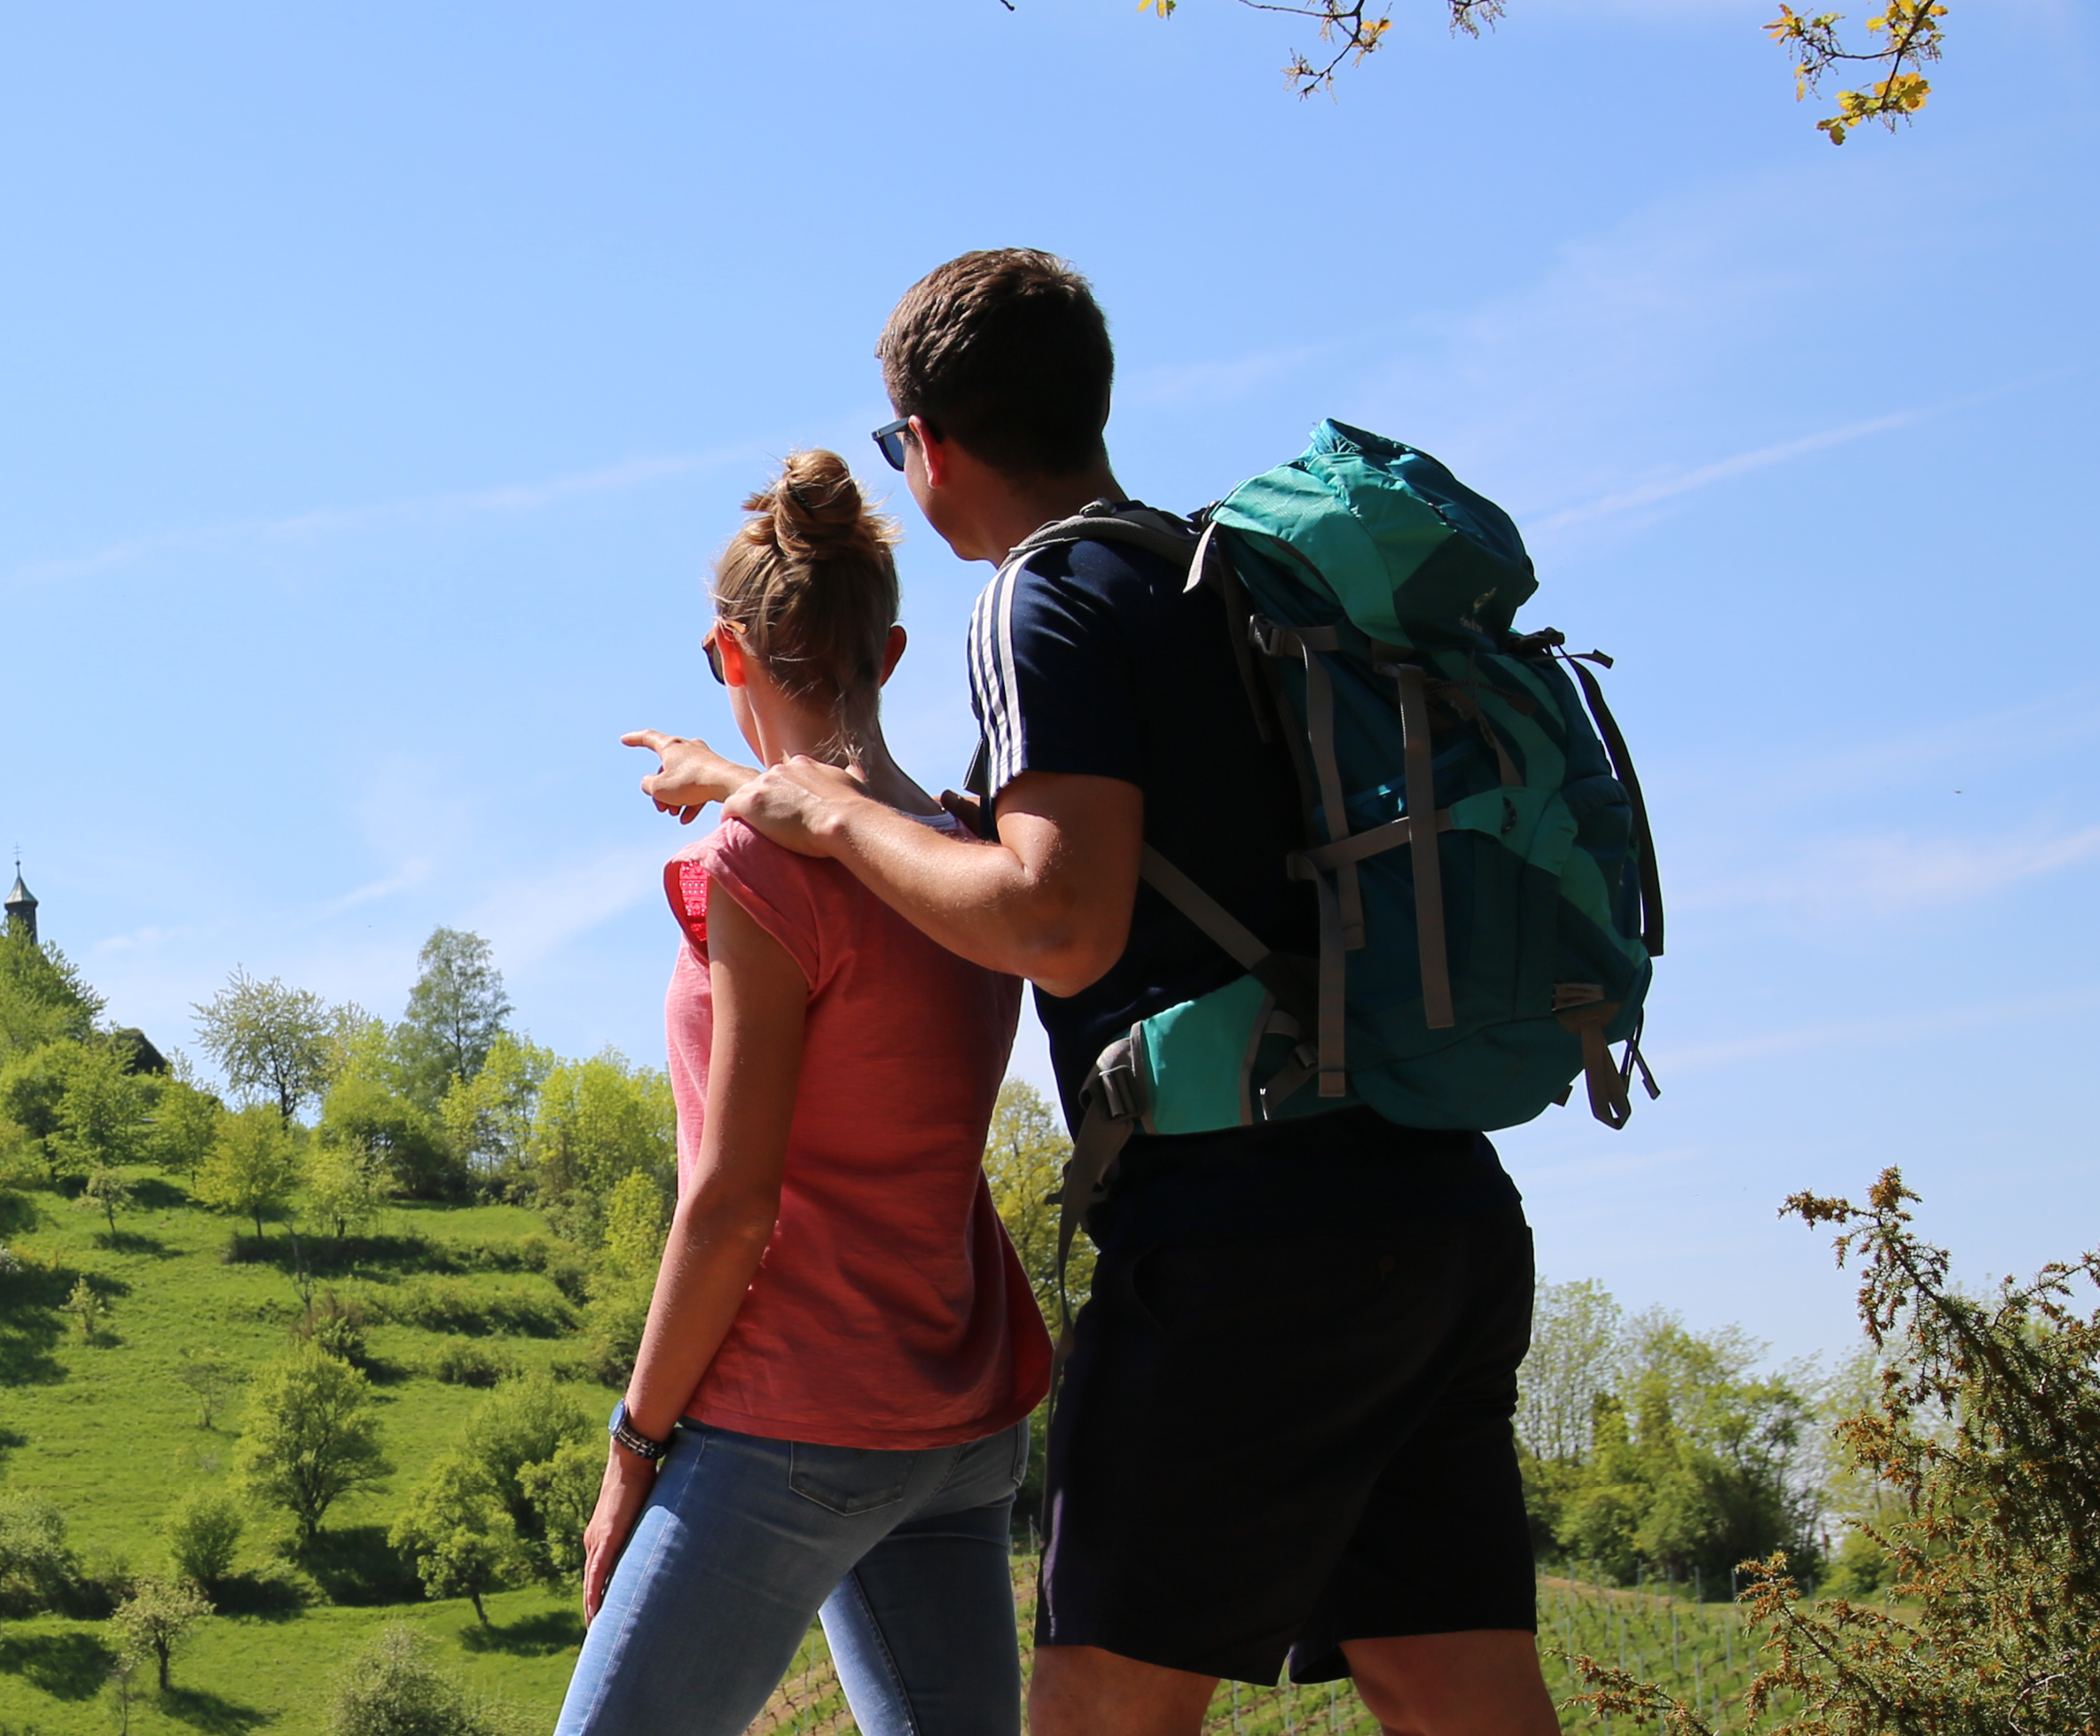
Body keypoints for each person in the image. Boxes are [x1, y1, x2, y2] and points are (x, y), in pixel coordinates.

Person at [635, 250, 1558, 1736]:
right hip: (1431, 1204)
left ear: (929, 445)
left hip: (1247, 1235)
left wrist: (827, 816)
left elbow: (1057, 919)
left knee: (1097, 1713)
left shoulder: (1044, 594)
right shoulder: (1215, 577)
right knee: (1458, 1691)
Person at [557, 450, 1052, 1736]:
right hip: (959, 1421)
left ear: (728, 653)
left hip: (795, 1418)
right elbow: (838, 810)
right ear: (889, 654)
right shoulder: (967, 857)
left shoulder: (758, 868)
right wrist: (730, 775)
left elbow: (732, 1204)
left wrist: (634, 1445)